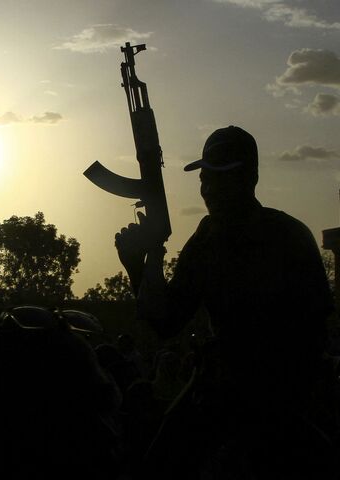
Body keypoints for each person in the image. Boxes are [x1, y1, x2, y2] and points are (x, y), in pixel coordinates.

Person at [115, 126, 335, 477]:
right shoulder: (207, 237)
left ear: (248, 178)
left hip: (277, 397)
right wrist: (140, 265)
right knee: (156, 465)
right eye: (205, 178)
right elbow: (166, 321)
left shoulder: (289, 236)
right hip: (219, 391)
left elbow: (314, 332)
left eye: (220, 177)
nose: (208, 189)